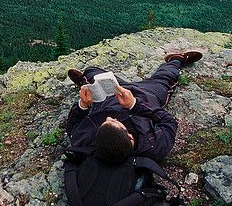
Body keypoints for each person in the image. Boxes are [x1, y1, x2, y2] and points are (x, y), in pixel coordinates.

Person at [66, 50, 203, 164]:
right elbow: (169, 122)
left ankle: (85, 83)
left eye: (105, 123)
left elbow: (73, 128)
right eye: (114, 122)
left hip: (111, 95)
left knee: (91, 71)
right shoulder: (152, 146)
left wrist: (83, 105)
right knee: (166, 77)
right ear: (130, 138)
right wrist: (134, 104)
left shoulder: (86, 142)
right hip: (146, 96)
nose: (109, 117)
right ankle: (177, 59)